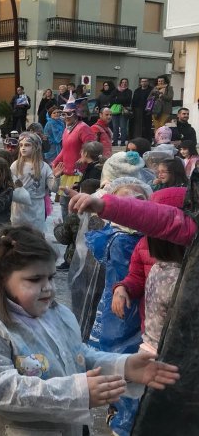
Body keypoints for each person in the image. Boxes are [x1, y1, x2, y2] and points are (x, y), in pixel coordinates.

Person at [0, 226, 181, 436]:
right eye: (34, 279)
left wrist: (124, 366)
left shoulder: (56, 313)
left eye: (51, 277)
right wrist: (77, 393)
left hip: (65, 426)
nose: (48, 287)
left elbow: (76, 355)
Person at [85, 177, 152, 436]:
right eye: (125, 198)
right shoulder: (114, 237)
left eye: (141, 199)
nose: (133, 203)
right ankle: (122, 419)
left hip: (140, 307)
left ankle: (124, 416)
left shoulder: (145, 236)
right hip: (120, 310)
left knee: (129, 361)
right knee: (121, 358)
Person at [111, 187, 186, 354]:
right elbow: (137, 276)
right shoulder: (144, 246)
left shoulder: (187, 262)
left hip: (176, 342)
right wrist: (123, 288)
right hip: (153, 334)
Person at [53, 101, 94, 219]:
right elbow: (65, 149)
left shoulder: (83, 128)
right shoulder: (67, 129)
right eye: (63, 114)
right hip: (67, 172)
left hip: (79, 174)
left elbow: (91, 146)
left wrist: (83, 157)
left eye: (68, 114)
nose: (65, 117)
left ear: (76, 114)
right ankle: (66, 231)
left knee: (75, 205)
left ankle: (75, 232)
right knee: (64, 204)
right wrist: (56, 160)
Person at [10, 132, 54, 226]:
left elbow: (54, 188)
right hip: (19, 208)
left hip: (37, 207)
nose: (23, 148)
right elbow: (10, 185)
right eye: (21, 145)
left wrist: (56, 177)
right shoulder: (16, 165)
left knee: (35, 236)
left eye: (27, 145)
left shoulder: (44, 167)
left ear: (36, 147)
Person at [111, 78, 132, 146]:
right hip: (115, 111)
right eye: (123, 82)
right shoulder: (115, 90)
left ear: (127, 83)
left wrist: (117, 98)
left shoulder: (129, 91)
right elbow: (111, 100)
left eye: (125, 82)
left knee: (123, 127)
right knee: (115, 127)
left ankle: (123, 142)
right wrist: (121, 99)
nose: (124, 83)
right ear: (120, 83)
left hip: (124, 111)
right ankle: (115, 141)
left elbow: (127, 100)